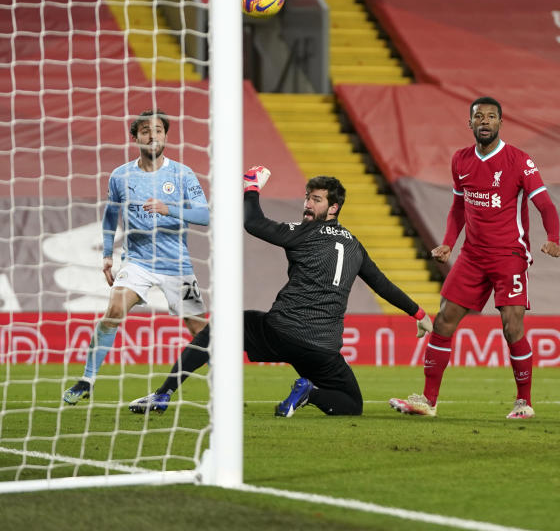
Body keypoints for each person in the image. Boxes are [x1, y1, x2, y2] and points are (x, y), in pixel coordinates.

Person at [128, 168, 433, 417]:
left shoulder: (304, 232)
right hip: (322, 349)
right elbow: (381, 284)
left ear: (334, 208)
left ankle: (164, 393)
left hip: (283, 331)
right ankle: (309, 393)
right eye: (307, 198)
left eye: (315, 200)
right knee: (351, 404)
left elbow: (252, 222)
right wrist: (418, 313)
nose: (307, 205)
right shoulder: (354, 245)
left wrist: (251, 187)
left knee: (218, 329)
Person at [388, 96, 560, 419]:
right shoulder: (460, 160)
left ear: (500, 123)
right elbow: (457, 207)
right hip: (472, 256)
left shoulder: (519, 161)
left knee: (512, 326)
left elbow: (546, 205)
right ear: (469, 124)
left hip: (509, 254)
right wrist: (448, 244)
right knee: (443, 320)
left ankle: (523, 402)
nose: (485, 121)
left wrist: (553, 238)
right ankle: (428, 401)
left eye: (491, 117)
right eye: (478, 116)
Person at [63, 110, 210, 405]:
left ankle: (218, 387)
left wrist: (170, 210)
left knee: (201, 332)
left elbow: (204, 214)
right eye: (145, 131)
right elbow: (110, 215)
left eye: (158, 130)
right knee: (114, 310)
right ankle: (86, 380)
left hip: (175, 265)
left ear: (166, 136)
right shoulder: (121, 176)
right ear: (135, 138)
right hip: (137, 261)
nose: (152, 136)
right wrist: (107, 254)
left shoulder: (182, 174)